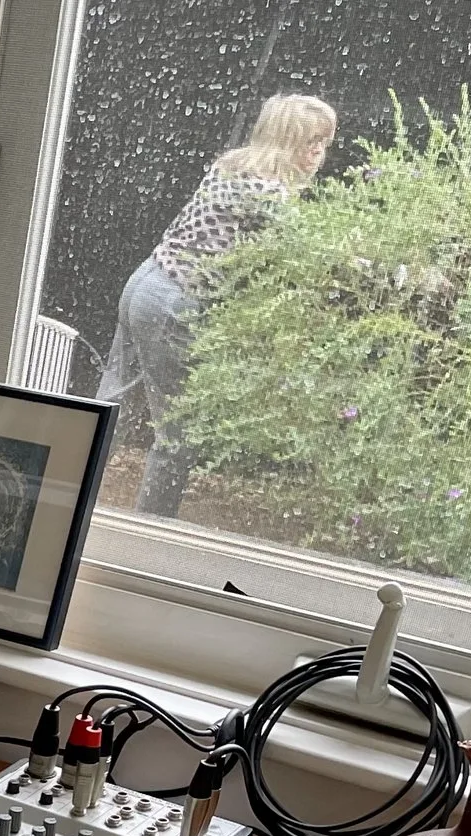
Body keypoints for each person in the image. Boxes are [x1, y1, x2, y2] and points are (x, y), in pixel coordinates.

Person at [103, 92, 335, 518]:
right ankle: (152, 531)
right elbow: (312, 253)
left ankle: (65, 492)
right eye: (309, 141)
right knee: (178, 436)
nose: (318, 152)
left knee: (107, 410)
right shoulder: (267, 190)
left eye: (324, 142)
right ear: (285, 140)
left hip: (145, 282)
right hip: (174, 302)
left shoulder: (234, 166)